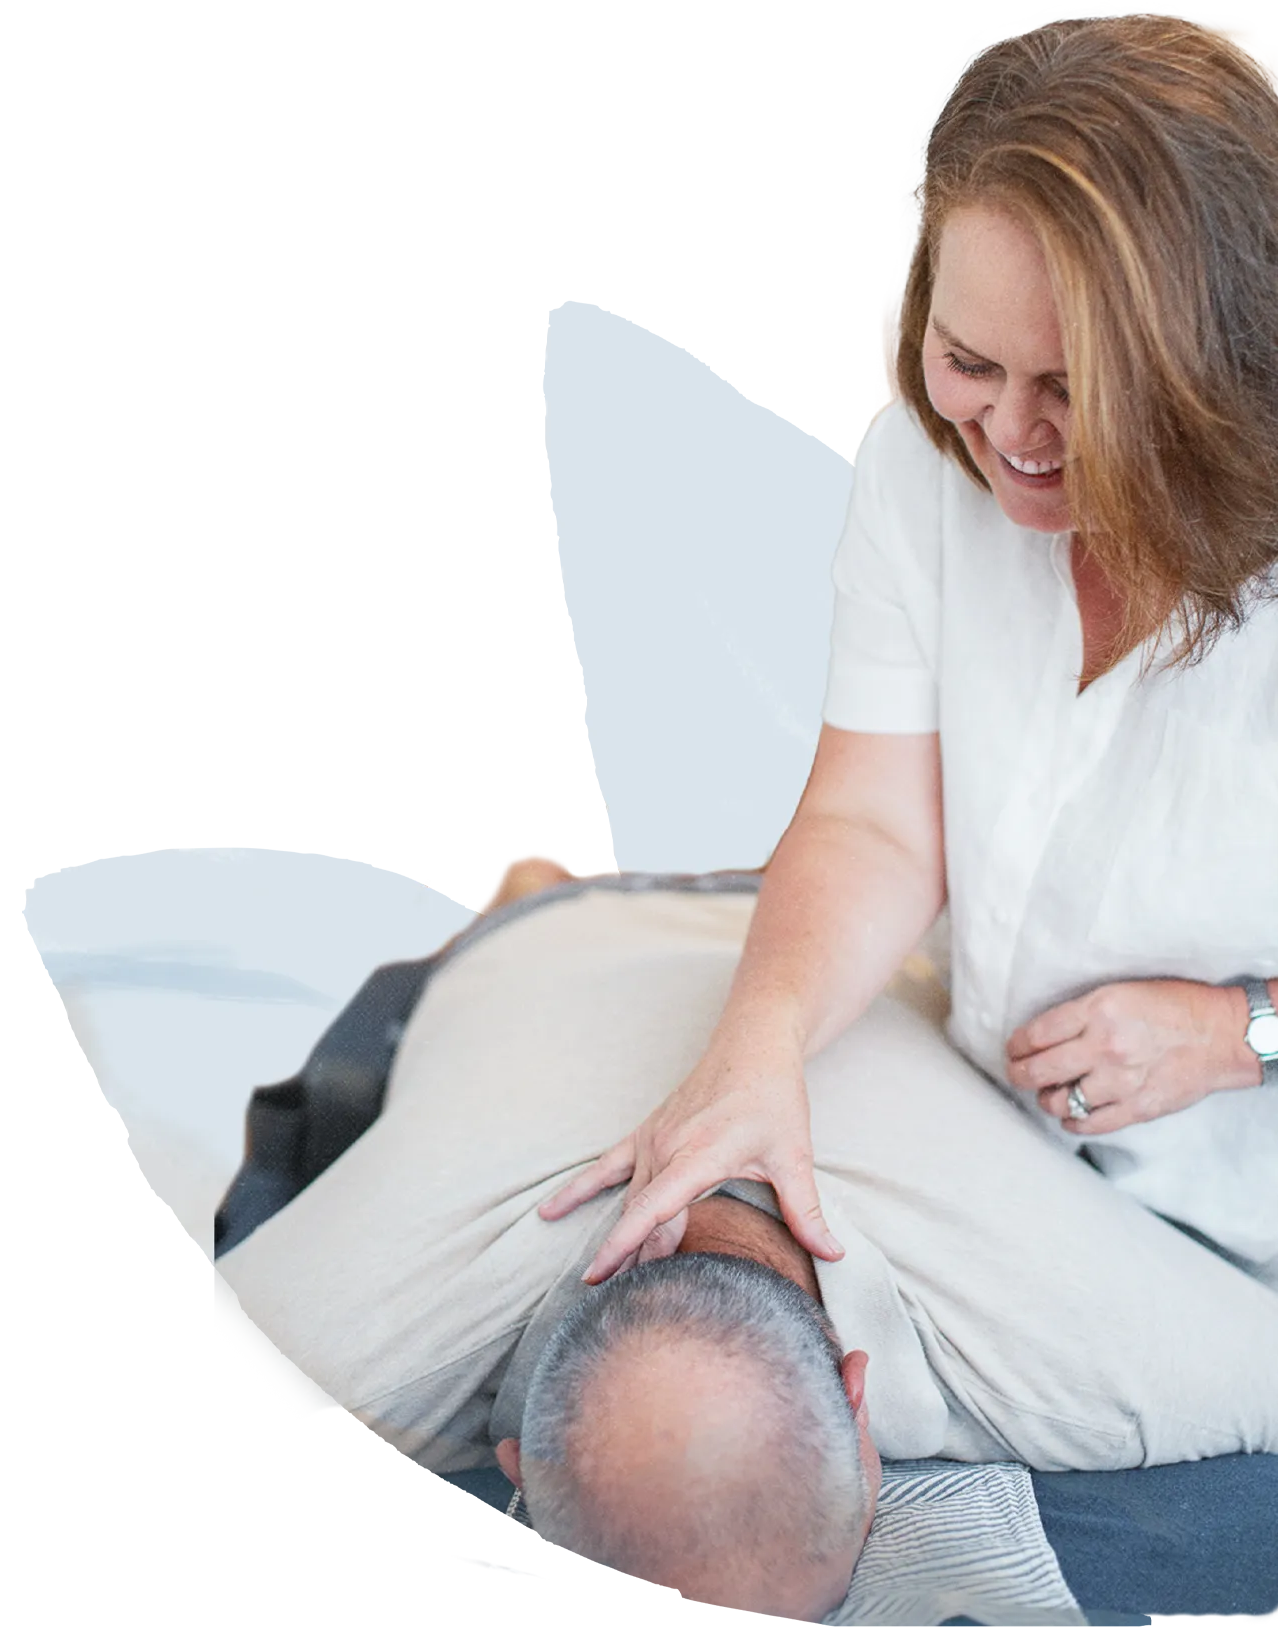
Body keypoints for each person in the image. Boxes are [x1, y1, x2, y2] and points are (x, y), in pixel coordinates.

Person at [541, 12, 1278, 1291]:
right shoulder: (922, 475)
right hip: (1019, 1146)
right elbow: (877, 825)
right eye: (969, 360)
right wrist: (757, 1043)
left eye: (1077, 389)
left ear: (1215, 373)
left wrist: (1243, 1032)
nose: (1015, 434)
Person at [209, 874, 1278, 1626]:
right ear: (860, 1407)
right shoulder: (299, 1355)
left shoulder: (294, 1363)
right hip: (620, 935)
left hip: (803, 919)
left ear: (514, 1476)